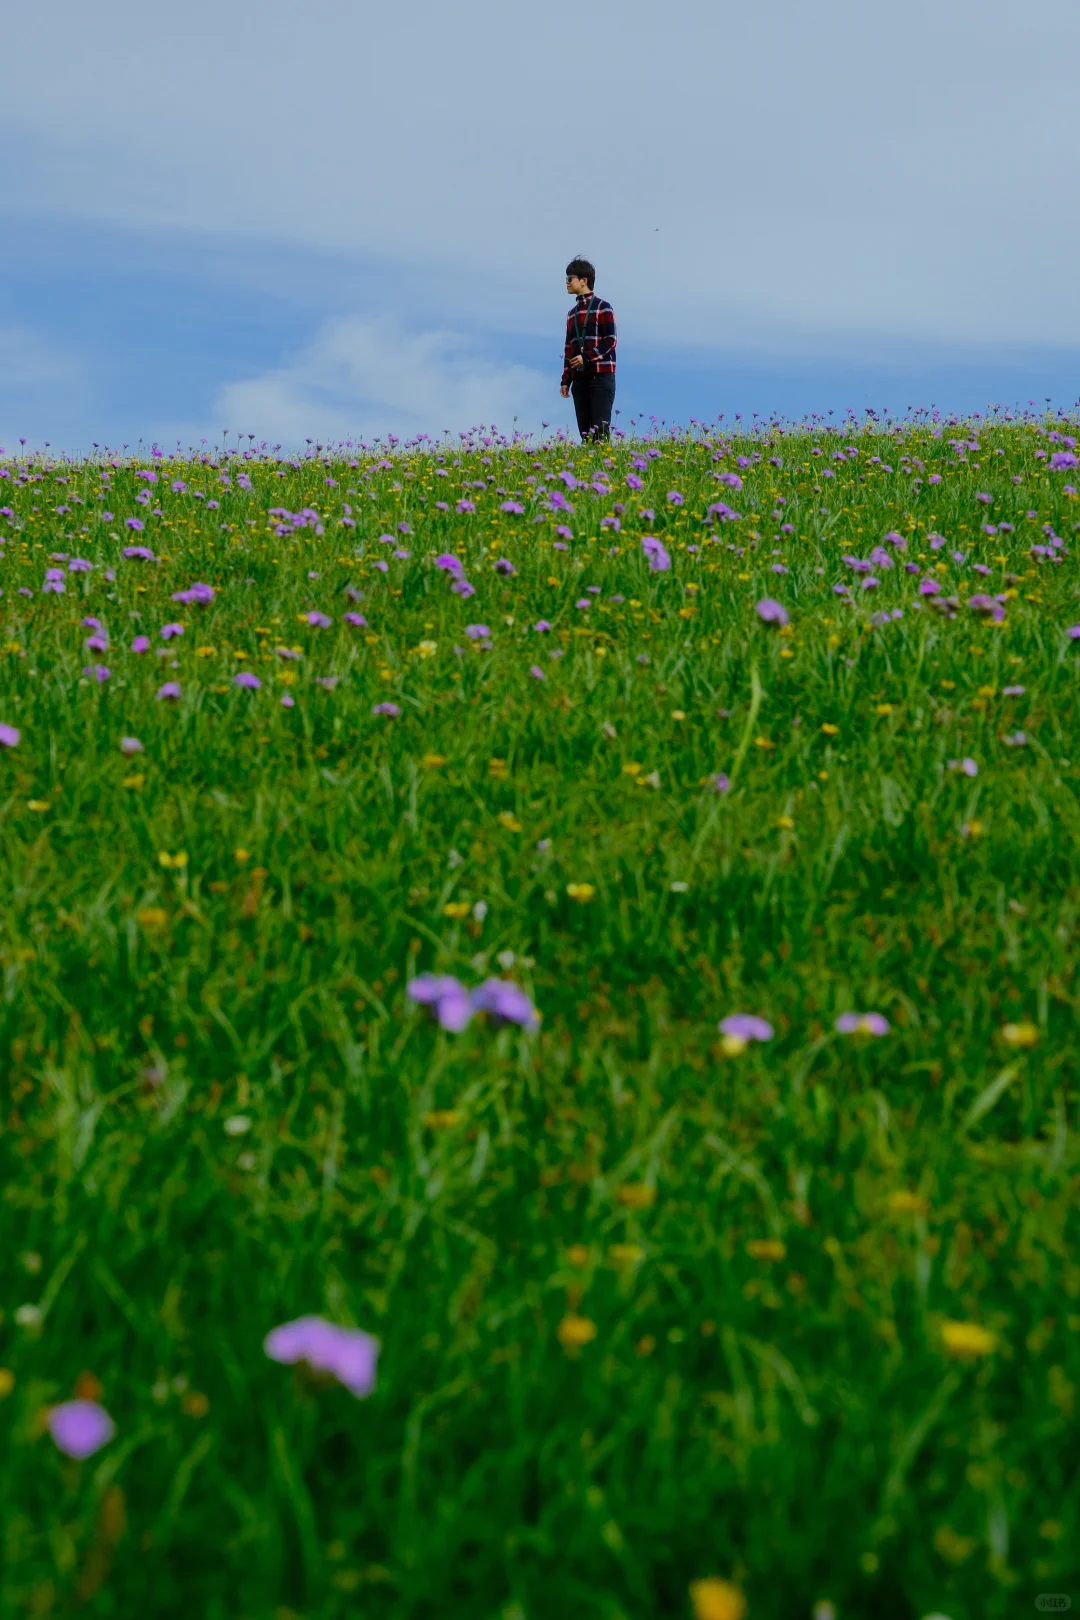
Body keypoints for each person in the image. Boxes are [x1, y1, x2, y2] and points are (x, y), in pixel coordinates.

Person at [560, 257, 616, 442]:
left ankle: (605, 468)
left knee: (600, 431)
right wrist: (566, 380)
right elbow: (569, 348)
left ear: (584, 280)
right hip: (580, 380)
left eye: (570, 278)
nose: (567, 282)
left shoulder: (603, 307)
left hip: (601, 377)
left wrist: (587, 357)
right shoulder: (571, 314)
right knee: (585, 434)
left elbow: (610, 340)